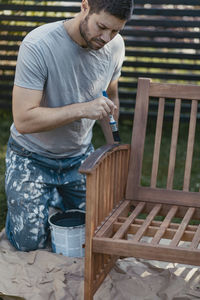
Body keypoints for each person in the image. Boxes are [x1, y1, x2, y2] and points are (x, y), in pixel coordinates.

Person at [5, 0, 134, 251]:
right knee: (29, 243)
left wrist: (113, 151)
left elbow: (111, 96)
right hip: (30, 157)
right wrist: (83, 109)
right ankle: (30, 202)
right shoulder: (38, 44)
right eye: (102, 27)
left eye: (116, 31)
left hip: (79, 159)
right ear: (84, 6)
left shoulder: (116, 46)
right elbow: (23, 120)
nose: (107, 38)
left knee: (100, 228)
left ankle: (51, 198)